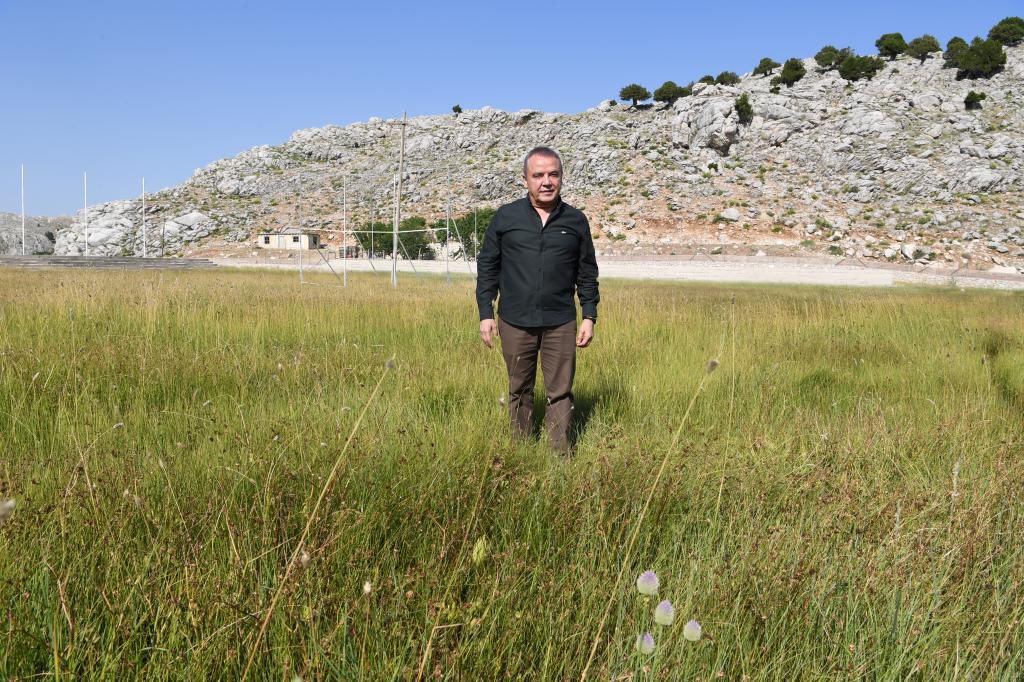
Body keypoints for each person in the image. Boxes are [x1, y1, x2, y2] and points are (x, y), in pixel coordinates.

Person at [475, 146, 600, 453]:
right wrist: (485, 312)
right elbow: (488, 265)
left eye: (553, 174)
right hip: (514, 320)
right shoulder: (506, 217)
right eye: (539, 175)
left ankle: (560, 455)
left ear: (561, 177)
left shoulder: (576, 221)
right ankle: (521, 450)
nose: (547, 181)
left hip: (560, 320)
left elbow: (586, 272)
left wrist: (589, 315)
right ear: (525, 179)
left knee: (560, 392)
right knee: (519, 388)